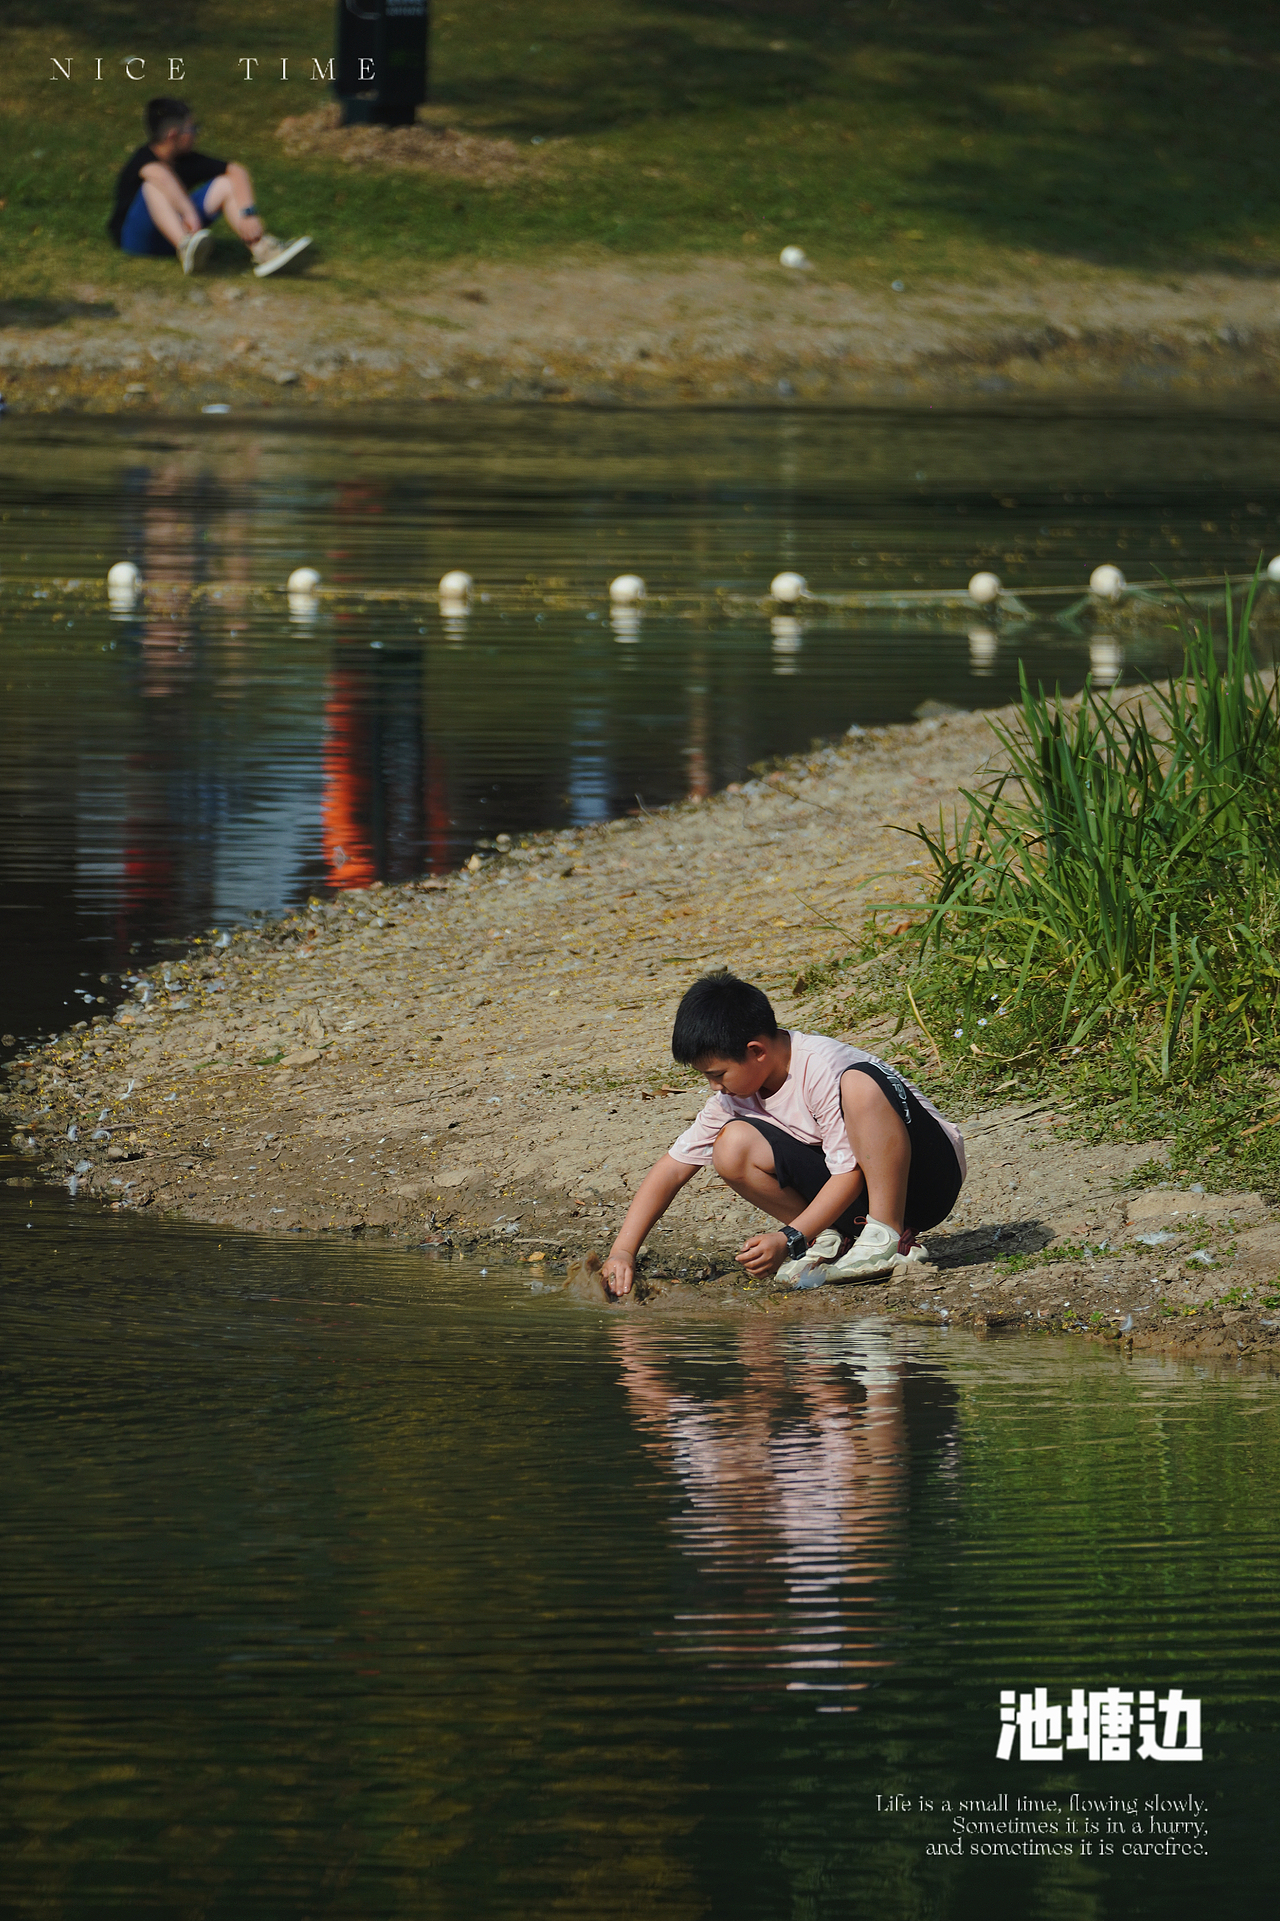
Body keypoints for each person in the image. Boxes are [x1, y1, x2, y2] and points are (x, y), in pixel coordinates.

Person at [601, 971, 966, 1299]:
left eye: (717, 1074)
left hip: (926, 1181)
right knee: (730, 1146)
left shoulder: (821, 1066)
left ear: (755, 1052)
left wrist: (789, 1237)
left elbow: (849, 1171)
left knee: (859, 1083)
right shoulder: (735, 1096)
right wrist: (623, 1251)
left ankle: (885, 1234)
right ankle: (830, 1239)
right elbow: (671, 1169)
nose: (714, 1086)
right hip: (853, 1194)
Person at [108, 96, 311, 279]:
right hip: (136, 240)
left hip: (180, 230)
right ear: (172, 135)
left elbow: (236, 170)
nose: (196, 134)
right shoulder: (143, 159)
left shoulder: (186, 159)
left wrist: (249, 213)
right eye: (192, 129)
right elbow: (161, 178)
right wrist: (190, 213)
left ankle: (263, 250)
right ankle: (186, 246)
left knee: (225, 183)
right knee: (152, 186)